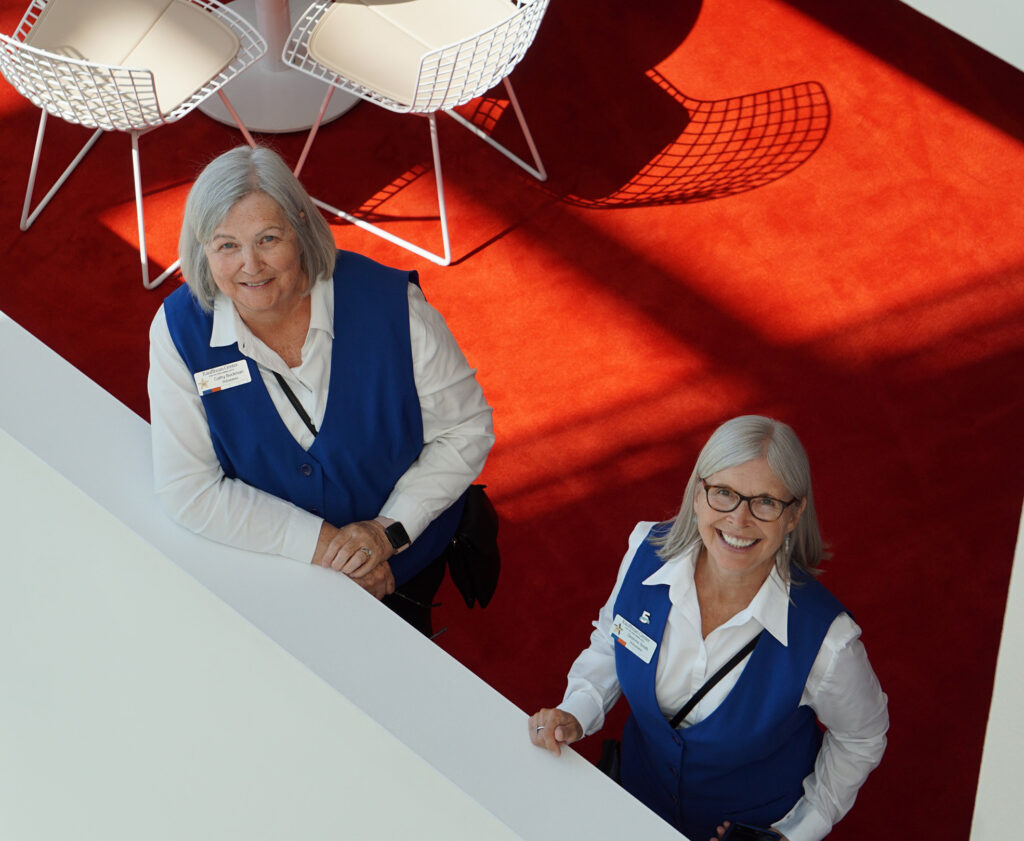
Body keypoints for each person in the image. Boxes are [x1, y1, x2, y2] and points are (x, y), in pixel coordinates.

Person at [148, 145, 494, 635]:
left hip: (402, 565)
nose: (250, 265)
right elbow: (188, 487)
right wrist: (327, 547)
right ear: (201, 249)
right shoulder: (178, 331)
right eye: (226, 245)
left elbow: (466, 430)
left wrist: (385, 533)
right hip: (277, 578)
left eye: (268, 238)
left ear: (302, 229)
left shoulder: (393, 306)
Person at [528, 416, 888, 841]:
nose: (739, 521)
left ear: (794, 515)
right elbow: (614, 641)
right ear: (698, 495)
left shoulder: (829, 642)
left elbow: (862, 738)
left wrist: (795, 831)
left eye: (766, 502)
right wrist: (578, 710)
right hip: (637, 804)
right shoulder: (643, 552)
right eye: (724, 494)